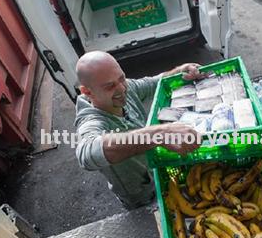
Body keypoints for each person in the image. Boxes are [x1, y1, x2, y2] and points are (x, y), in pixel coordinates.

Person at [74, 51, 205, 209]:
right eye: (110, 86)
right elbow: (87, 153)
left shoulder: (125, 88)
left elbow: (153, 83)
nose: (122, 89)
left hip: (156, 170)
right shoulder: (91, 119)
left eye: (122, 78)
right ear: (87, 92)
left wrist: (180, 71)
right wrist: (159, 134)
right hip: (140, 196)